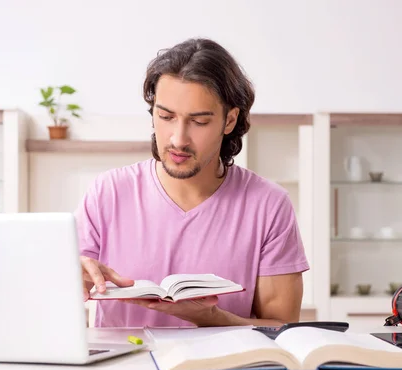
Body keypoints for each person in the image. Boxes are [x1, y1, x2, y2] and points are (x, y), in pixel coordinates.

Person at [75, 37, 309, 328]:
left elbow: (284, 327)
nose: (178, 139)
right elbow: (54, 301)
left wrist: (214, 319)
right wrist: (68, 279)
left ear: (229, 121)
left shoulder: (268, 204)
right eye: (165, 116)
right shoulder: (106, 193)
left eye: (199, 122)